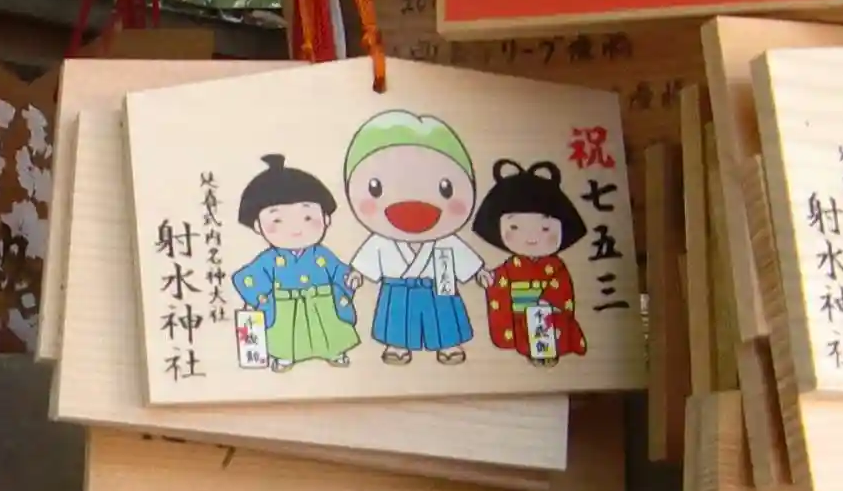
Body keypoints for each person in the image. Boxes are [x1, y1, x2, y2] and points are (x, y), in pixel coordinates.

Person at [342, 111, 489, 366]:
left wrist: (478, 271)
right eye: (376, 188)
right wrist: (358, 273)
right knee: (397, 318)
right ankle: (398, 346)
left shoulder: (446, 240)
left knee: (444, 316)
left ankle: (448, 344)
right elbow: (369, 258)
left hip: (437, 286)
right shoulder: (382, 241)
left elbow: (464, 256)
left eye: (445, 188)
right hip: (398, 288)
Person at [231, 154, 361, 372]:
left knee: (328, 330)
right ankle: (284, 356)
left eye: (307, 217)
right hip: (285, 305)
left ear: (326, 219)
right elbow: (249, 277)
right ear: (258, 226)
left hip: (322, 301)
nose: (295, 228)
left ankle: (333, 351)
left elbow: (339, 271)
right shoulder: (270, 259)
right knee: (286, 335)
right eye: (277, 220)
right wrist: (257, 298)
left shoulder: (321, 255)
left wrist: (351, 277)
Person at [470, 160, 588, 366]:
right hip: (518, 318)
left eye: (545, 229)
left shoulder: (556, 268)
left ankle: (546, 352)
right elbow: (500, 280)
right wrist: (488, 278)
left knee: (543, 319)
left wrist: (544, 304)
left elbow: (561, 290)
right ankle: (533, 349)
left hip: (547, 316)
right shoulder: (510, 268)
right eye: (515, 227)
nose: (531, 237)